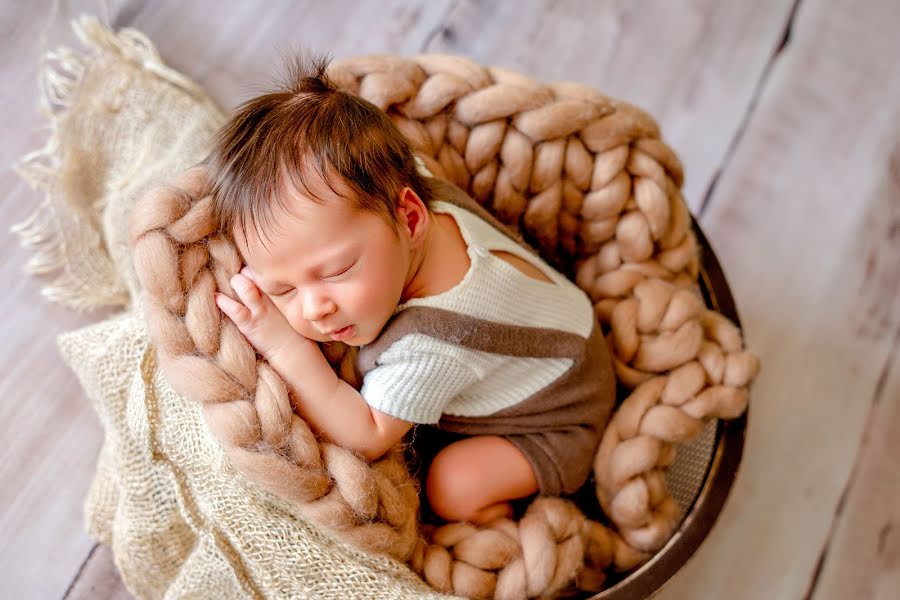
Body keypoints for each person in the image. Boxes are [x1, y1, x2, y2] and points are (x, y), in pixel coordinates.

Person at [208, 56, 615, 526]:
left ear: (412, 216)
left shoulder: (434, 340)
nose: (314, 307)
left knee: (451, 485)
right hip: (566, 337)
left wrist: (284, 344)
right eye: (281, 289)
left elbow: (368, 432)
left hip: (561, 420)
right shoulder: (404, 187)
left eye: (338, 270)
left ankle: (508, 514)